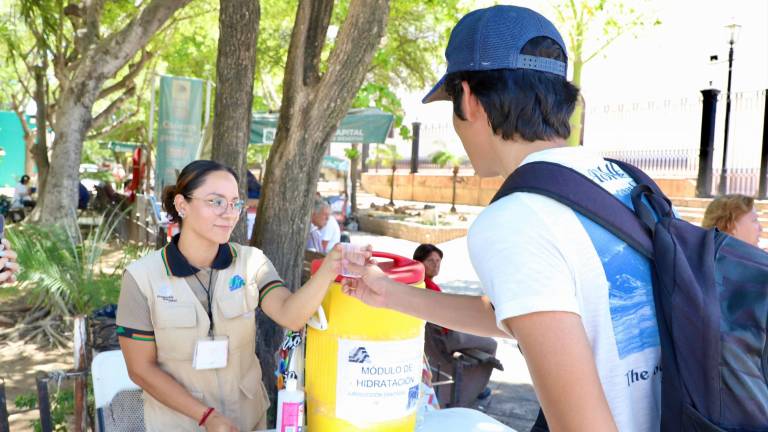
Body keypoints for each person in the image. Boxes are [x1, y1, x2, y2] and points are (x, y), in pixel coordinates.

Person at [343, 6, 660, 431]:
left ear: (469, 99)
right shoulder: (622, 183)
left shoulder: (517, 218)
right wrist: (387, 293)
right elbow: (537, 315)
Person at [116, 160, 354, 432]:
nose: (229, 213)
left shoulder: (251, 263)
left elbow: (291, 315)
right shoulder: (141, 278)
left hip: (246, 420)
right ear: (182, 205)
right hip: (180, 423)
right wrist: (206, 417)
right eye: (216, 202)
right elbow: (141, 369)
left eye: (235, 203)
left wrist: (330, 266)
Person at [413, 244, 497, 404]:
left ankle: (476, 387)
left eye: (438, 261)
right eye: (430, 260)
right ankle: (478, 389)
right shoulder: (428, 287)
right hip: (448, 338)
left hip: (436, 340)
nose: (435, 264)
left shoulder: (417, 284)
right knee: (491, 344)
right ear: (419, 262)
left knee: (482, 339)